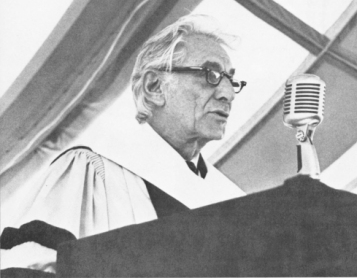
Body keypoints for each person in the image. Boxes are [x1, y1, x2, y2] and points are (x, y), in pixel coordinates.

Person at [0, 14, 247, 274]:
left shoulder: (234, 205)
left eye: (231, 80)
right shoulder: (94, 173)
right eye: (211, 74)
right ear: (154, 86)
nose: (227, 93)